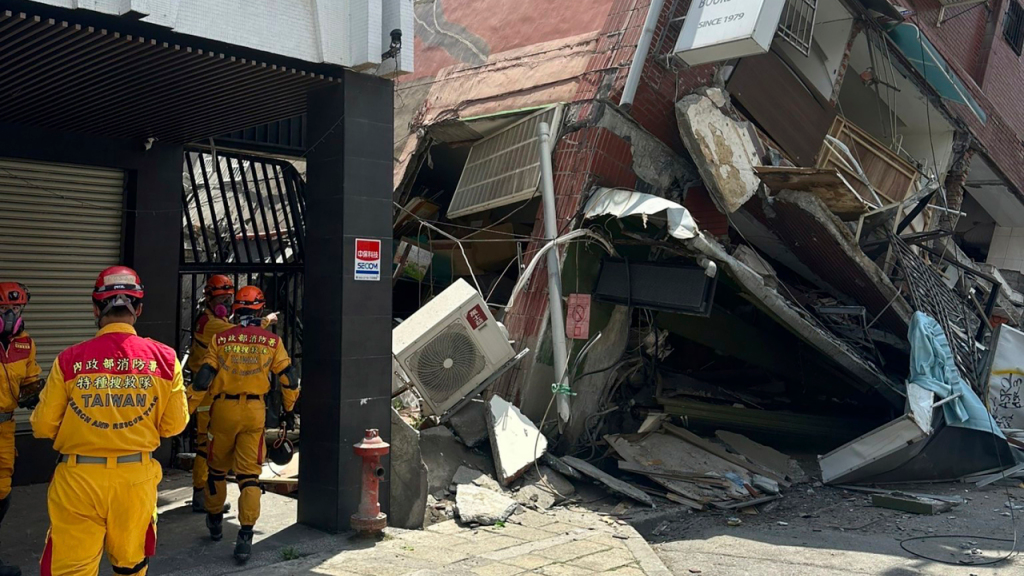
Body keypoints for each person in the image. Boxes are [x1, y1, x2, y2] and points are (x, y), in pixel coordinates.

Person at [31, 266, 189, 576]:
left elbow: (42, 427)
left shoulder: (69, 360)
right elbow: (174, 425)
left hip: (78, 480)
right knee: (131, 567)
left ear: (94, 307)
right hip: (136, 480)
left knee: (70, 570)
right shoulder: (166, 359)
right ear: (139, 309)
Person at [191, 286, 298, 564]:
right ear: (260, 310)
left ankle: (215, 521)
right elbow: (289, 379)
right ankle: (246, 535)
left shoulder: (221, 338)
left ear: (235, 309)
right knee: (249, 476)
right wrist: (288, 411)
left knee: (216, 470)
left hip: (223, 410)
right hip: (254, 412)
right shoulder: (272, 342)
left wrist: (185, 408)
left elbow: (203, 379)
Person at [0, 283, 43, 576]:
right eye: (4, 309)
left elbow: (30, 381)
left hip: (5, 428)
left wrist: (37, 393)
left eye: (16, 309)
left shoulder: (26, 344)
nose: (11, 314)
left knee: (2, 492)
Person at [184, 275, 235, 513]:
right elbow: (237, 334)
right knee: (205, 445)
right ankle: (201, 494)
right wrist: (263, 322)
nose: (225, 302)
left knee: (214, 444)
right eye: (221, 298)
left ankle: (206, 492)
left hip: (216, 390)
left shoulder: (214, 318)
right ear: (209, 298)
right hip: (204, 392)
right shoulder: (209, 323)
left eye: (228, 298)